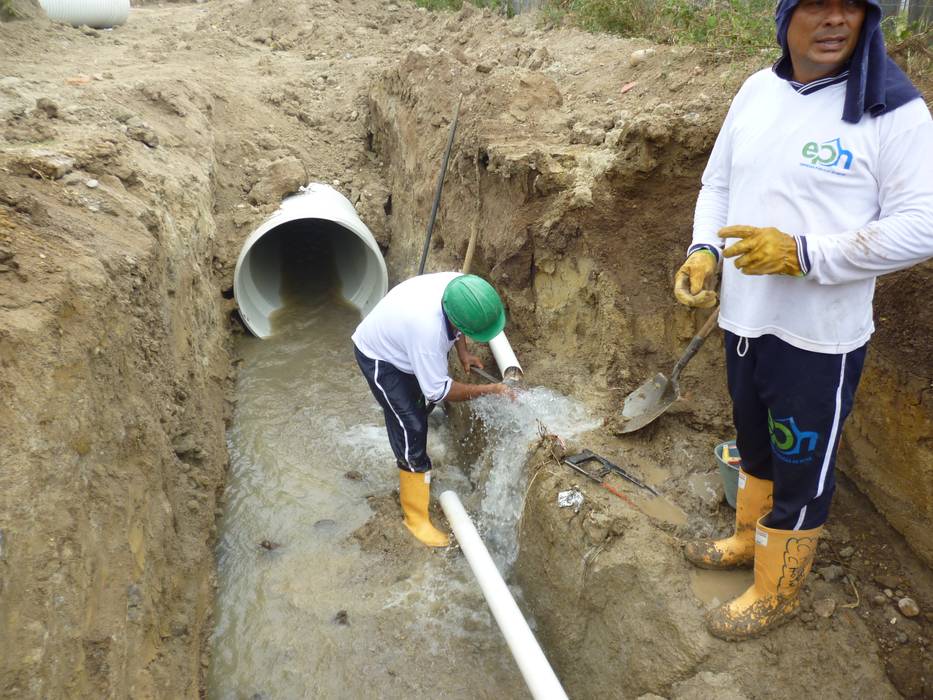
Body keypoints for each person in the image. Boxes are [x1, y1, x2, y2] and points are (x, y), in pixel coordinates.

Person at [674, 0, 933, 640]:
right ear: (786, 15)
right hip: (745, 320)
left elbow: (923, 226)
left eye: (850, 7)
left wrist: (803, 253)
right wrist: (704, 250)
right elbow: (717, 185)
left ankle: (777, 590)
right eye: (817, 5)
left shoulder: (893, 111)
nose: (835, 21)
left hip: (819, 340)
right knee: (754, 445)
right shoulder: (757, 91)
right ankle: (746, 539)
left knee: (803, 466)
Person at [352, 272, 512, 547]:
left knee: (416, 406)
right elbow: (439, 392)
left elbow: (457, 326)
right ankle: (415, 518)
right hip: (378, 357)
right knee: (411, 425)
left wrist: (462, 352)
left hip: (402, 341)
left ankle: (413, 468)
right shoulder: (427, 330)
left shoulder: (463, 288)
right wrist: (490, 390)